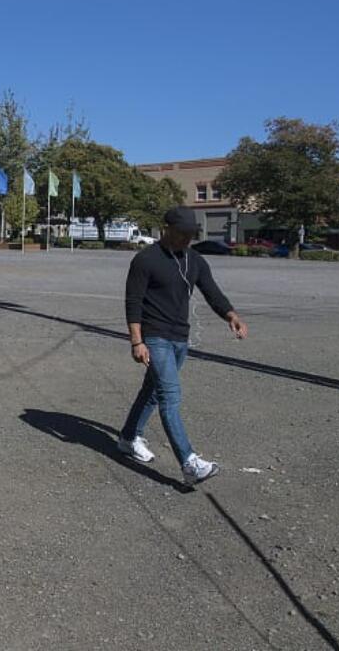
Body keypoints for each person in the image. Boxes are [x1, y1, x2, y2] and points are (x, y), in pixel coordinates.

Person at [117, 206, 249, 485]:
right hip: (154, 337)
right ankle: (189, 463)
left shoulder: (195, 260)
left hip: (180, 338)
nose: (186, 239)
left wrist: (231, 315)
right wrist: (136, 341)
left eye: (191, 235)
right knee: (170, 396)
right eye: (182, 234)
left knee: (152, 391)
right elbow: (133, 303)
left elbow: (212, 291)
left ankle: (128, 438)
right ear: (167, 229)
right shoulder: (145, 260)